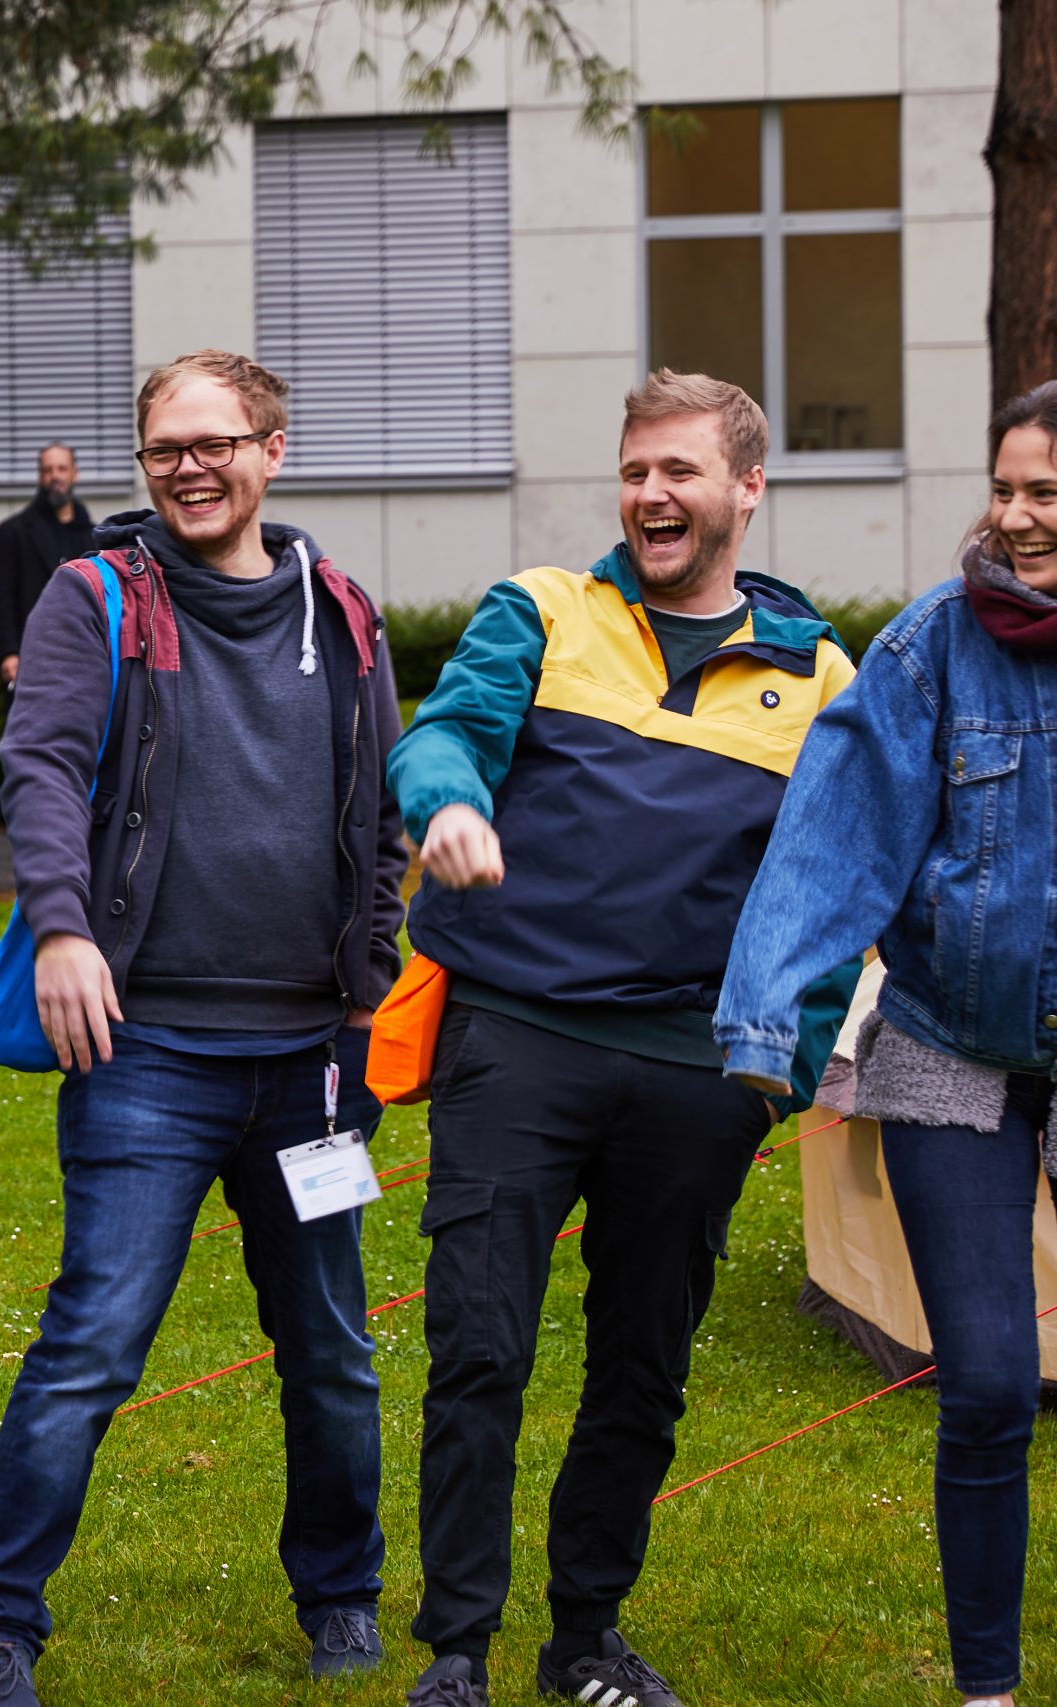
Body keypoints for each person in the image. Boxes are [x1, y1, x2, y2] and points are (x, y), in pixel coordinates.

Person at [386, 370, 859, 1707]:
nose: (654, 492)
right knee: (479, 1341)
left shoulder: (820, 673)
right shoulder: (541, 608)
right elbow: (444, 736)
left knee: (641, 1367)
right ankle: (459, 1648)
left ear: (746, 490)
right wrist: (447, 805)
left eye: (683, 471)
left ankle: (585, 1634)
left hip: (695, 1072)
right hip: (514, 1038)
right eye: (637, 467)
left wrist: (782, 1073)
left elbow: (837, 879)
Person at [0, 349, 407, 1706]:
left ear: (275, 448)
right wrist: (66, 925)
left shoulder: (345, 608)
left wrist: (371, 975)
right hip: (145, 1048)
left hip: (311, 1052)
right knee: (92, 1341)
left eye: (215, 444)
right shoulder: (100, 594)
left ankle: (341, 1595)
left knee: (332, 1346)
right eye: (165, 450)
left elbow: (381, 807)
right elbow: (35, 765)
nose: (189, 470)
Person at [715, 380, 1057, 1707]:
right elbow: (828, 850)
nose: (1012, 516)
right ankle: (988, 1690)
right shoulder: (931, 651)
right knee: (984, 1385)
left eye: (1045, 495)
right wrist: (761, 1028)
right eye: (1005, 486)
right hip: (948, 1053)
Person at [0, 442, 95, 686]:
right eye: (48, 470)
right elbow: (2, 598)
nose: (55, 476)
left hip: (85, 654)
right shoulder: (12, 532)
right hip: (32, 656)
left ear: (74, 473)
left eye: (61, 468)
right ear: (40, 476)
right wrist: (9, 652)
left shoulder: (93, 535)